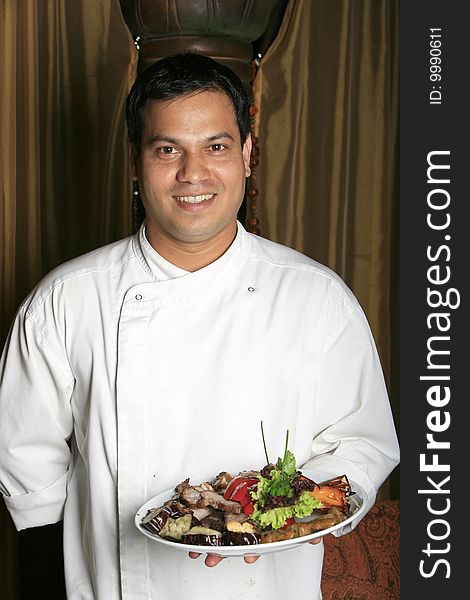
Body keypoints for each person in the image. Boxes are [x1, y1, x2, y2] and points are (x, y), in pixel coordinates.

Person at [0, 53, 399, 599]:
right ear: (135, 163)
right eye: (168, 149)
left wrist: (279, 514)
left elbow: (363, 443)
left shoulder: (316, 297)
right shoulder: (64, 302)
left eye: (216, 147)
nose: (194, 173)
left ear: (248, 155)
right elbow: (31, 485)